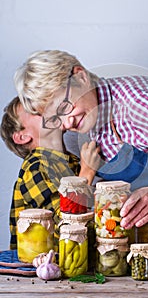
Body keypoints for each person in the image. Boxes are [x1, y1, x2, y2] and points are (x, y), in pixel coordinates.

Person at [13, 50, 148, 250]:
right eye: (55, 119)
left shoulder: (136, 101)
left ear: (80, 77)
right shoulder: (94, 120)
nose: (66, 124)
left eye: (64, 107)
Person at [0, 96, 100, 249]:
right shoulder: (35, 167)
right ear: (23, 136)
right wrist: (87, 172)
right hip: (39, 268)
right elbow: (65, 227)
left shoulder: (71, 164)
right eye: (34, 110)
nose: (46, 108)